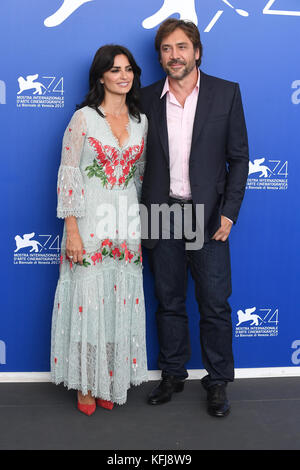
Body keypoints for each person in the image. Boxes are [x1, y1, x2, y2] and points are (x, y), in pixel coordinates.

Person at [140, 19, 249, 417]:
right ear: (161, 56)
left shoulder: (226, 93)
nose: (174, 55)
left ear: (196, 52)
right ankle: (172, 374)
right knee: (168, 301)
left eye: (182, 47)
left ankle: (217, 381)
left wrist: (229, 214)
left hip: (208, 217)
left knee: (215, 304)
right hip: (160, 213)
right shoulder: (146, 98)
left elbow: (239, 159)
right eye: (166, 49)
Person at [50, 45, 148, 416]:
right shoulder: (83, 120)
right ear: (101, 76)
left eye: (128, 69)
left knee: (119, 298)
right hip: (89, 220)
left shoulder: (142, 121)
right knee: (89, 300)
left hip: (126, 222)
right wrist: (71, 229)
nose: (123, 76)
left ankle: (111, 378)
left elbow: (139, 179)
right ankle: (88, 383)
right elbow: (69, 174)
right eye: (114, 69)